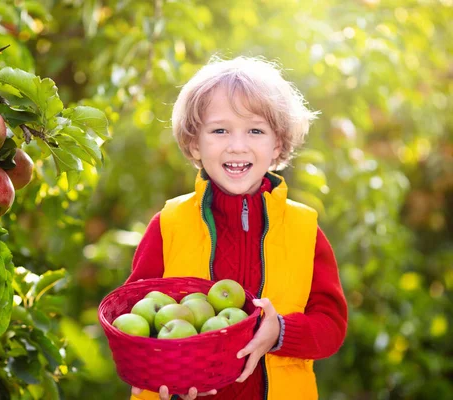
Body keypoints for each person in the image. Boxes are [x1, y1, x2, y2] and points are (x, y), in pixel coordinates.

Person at [125, 56, 347, 400]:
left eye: (255, 130)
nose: (237, 145)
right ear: (195, 143)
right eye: (220, 130)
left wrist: (281, 332)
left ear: (277, 144)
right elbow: (134, 316)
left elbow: (331, 326)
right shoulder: (170, 224)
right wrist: (155, 365)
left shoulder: (304, 229)